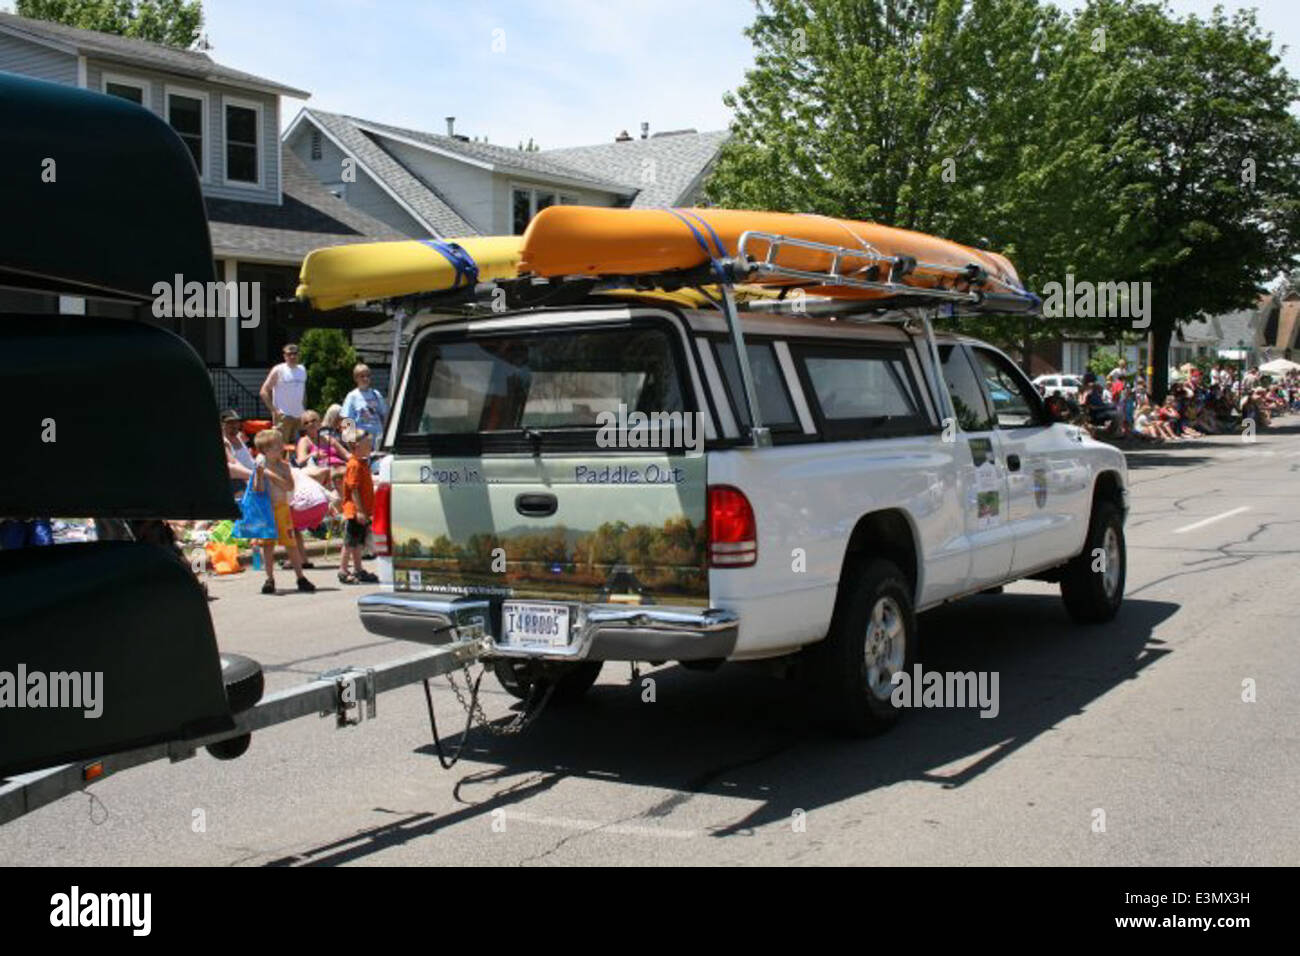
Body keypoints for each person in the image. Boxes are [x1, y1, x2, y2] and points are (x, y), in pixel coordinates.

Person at [251, 428, 316, 595]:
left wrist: (270, 475)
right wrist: (260, 475)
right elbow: (257, 490)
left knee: (290, 544)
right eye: (277, 445)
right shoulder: (260, 467)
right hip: (267, 511)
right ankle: (269, 578)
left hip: (281, 508)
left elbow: (289, 486)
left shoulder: (284, 466)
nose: (281, 448)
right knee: (268, 545)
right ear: (265, 450)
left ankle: (300, 577)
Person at [339, 426, 379, 585]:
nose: (370, 447)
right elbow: (353, 489)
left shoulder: (362, 463)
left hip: (362, 511)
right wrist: (360, 511)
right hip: (354, 511)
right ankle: (342, 569)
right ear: (356, 447)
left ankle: (358, 569)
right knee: (349, 543)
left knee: (357, 543)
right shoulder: (354, 465)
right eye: (367, 444)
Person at [260, 343, 308, 447]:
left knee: (297, 447)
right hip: (283, 416)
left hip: (299, 416)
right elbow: (263, 391)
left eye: (295, 353)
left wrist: (304, 410)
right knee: (280, 447)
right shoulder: (279, 370)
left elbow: (303, 392)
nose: (292, 356)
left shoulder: (302, 370)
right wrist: (274, 411)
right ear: (284, 356)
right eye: (289, 354)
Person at [341, 363, 388, 441]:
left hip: (378, 439)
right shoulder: (352, 396)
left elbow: (384, 416)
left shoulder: (376, 394)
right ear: (356, 378)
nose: (365, 379)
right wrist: (350, 442)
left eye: (368, 376)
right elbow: (347, 420)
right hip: (361, 441)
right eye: (362, 376)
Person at [221, 409, 255, 496]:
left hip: (253, 474)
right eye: (230, 422)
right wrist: (251, 476)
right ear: (222, 424)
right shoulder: (224, 442)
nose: (234, 425)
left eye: (236, 422)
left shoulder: (240, 436)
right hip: (241, 478)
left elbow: (249, 457)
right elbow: (233, 463)